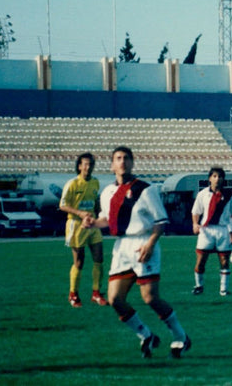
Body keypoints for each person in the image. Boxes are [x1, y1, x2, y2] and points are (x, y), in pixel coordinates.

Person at [82, 146, 191, 359]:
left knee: (150, 298)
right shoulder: (107, 192)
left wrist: (150, 244)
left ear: (132, 163)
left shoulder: (146, 189)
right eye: (118, 158)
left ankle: (180, 337)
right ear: (112, 164)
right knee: (115, 299)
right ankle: (146, 335)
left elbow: (161, 221)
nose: (122, 162)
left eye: (126, 158)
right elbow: (107, 219)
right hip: (122, 247)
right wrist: (94, 223)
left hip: (143, 242)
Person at [60, 152, 109, 307]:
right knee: (79, 262)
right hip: (76, 226)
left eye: (91, 164)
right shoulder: (72, 184)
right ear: (80, 166)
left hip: (92, 224)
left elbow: (95, 202)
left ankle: (96, 293)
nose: (88, 167)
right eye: (85, 164)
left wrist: (100, 216)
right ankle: (73, 294)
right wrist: (80, 213)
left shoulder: (95, 182)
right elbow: (62, 205)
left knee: (99, 258)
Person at [191, 167, 232, 296]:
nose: (217, 179)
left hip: (222, 230)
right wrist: (195, 224)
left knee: (224, 261)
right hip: (206, 230)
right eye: (215, 176)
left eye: (220, 176)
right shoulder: (202, 194)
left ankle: (223, 290)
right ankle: (198, 286)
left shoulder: (229, 195)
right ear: (210, 178)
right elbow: (196, 211)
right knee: (201, 260)